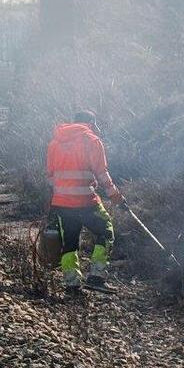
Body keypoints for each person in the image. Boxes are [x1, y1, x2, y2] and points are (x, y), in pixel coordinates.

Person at [45, 110, 128, 293]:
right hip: (86, 202)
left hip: (62, 204)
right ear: (89, 122)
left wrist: (59, 195)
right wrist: (115, 196)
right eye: (95, 123)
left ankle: (72, 285)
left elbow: (50, 177)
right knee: (106, 230)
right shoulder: (92, 141)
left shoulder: (54, 143)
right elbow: (102, 174)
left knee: (69, 242)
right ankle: (96, 277)